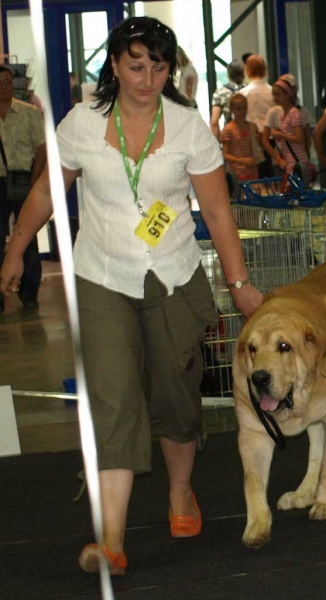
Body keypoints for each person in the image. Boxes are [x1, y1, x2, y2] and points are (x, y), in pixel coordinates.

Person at [0, 16, 263, 574]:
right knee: (114, 400)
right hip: (102, 278)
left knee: (174, 394)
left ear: (171, 71)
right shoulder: (80, 123)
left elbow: (216, 211)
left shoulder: (188, 125)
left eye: (159, 67)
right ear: (115, 64)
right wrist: (15, 248)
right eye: (136, 64)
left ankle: (179, 493)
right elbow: (48, 191)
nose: (146, 78)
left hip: (173, 274)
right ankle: (112, 541)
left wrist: (239, 286)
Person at [0, 66, 46, 312]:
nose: (4, 87)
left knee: (27, 239)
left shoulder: (29, 113)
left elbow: (41, 149)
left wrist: (34, 181)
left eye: (7, 82)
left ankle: (29, 294)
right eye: (0, 83)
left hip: (23, 181)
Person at [263, 78, 314, 179]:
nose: (275, 98)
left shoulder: (293, 113)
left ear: (287, 95)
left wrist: (281, 135)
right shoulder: (286, 114)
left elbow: (299, 139)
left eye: (278, 94)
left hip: (296, 161)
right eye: (273, 95)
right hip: (292, 160)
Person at [240, 55, 275, 177]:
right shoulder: (272, 91)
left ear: (247, 69)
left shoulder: (243, 93)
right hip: (271, 137)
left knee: (256, 174)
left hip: (252, 137)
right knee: (271, 172)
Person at [220, 93, 260, 181]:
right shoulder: (228, 130)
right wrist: (243, 160)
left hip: (252, 170)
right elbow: (225, 155)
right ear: (231, 110)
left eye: (245, 107)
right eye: (238, 108)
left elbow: (258, 147)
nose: (242, 111)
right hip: (236, 173)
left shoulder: (252, 127)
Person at [209, 59, 245, 140]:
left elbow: (214, 122)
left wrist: (216, 144)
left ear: (228, 74)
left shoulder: (220, 93)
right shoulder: (249, 90)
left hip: (230, 137)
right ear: (244, 73)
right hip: (248, 136)